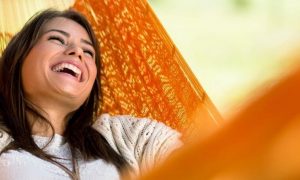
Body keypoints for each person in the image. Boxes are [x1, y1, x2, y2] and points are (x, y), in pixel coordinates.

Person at [0, 9, 182, 180]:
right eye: (57, 39)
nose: (77, 52)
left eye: (88, 52)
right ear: (19, 55)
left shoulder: (127, 137)